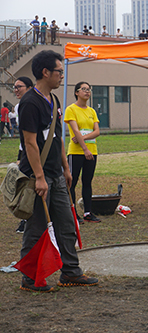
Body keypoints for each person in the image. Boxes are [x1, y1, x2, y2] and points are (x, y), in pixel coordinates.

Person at [18, 50, 99, 292]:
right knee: (37, 227)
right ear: (45, 72)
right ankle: (29, 278)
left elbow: (57, 137)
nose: (62, 76)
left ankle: (70, 272)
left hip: (57, 174)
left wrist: (65, 166)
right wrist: (40, 178)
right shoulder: (29, 103)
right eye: (59, 72)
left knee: (66, 223)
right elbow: (30, 143)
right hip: (37, 176)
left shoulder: (54, 100)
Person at [64, 81, 101, 224]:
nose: (87, 92)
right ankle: (72, 214)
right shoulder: (71, 109)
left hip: (92, 151)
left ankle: (87, 213)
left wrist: (83, 139)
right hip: (77, 152)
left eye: (89, 89)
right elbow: (75, 129)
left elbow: (97, 132)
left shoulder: (92, 111)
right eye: (84, 89)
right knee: (72, 183)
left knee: (87, 182)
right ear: (76, 92)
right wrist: (84, 148)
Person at [12, 77, 34, 234]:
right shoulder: (18, 107)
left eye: (19, 86)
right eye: (14, 87)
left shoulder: (32, 104)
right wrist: (20, 155)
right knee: (25, 186)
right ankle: (24, 219)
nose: (16, 89)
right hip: (25, 150)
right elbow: (22, 136)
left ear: (30, 88)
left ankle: (30, 220)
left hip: (35, 150)